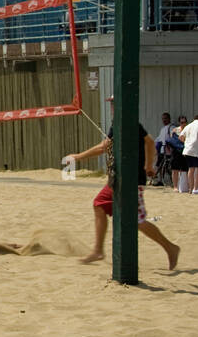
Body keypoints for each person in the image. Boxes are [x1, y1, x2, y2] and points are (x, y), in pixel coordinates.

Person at [64, 97, 180, 269]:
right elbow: (144, 142)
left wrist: (78, 157)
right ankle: (97, 251)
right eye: (111, 103)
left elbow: (106, 147)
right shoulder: (120, 122)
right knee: (99, 205)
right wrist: (148, 164)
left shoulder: (128, 122)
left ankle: (171, 248)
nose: (111, 106)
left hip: (131, 179)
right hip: (118, 179)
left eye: (114, 103)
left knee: (137, 221)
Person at [179, 113, 198, 194]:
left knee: (191, 169)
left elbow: (181, 137)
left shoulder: (188, 126)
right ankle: (196, 188)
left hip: (188, 150)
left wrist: (186, 142)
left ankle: (191, 188)